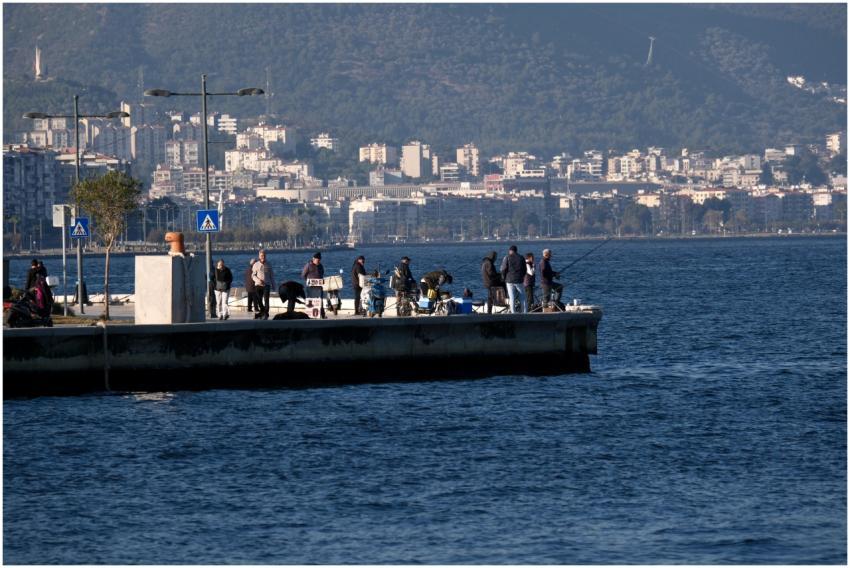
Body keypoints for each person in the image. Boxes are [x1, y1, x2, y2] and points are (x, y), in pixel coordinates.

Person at [500, 245, 526, 313]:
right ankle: (524, 312)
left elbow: (503, 269)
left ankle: (513, 312)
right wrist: (521, 276)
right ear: (516, 250)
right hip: (519, 280)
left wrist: (503, 277)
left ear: (510, 251)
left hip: (509, 280)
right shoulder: (521, 257)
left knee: (512, 298)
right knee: (522, 297)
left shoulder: (507, 257)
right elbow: (524, 269)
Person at [251, 249, 275, 320]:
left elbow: (272, 276)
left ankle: (266, 314)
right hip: (258, 285)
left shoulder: (269, 264)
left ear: (265, 256)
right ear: (259, 256)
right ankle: (263, 312)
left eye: (264, 255)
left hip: (266, 285)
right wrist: (258, 280)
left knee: (266, 300)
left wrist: (274, 286)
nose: (263, 257)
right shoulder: (255, 264)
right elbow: (253, 275)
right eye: (261, 255)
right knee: (259, 300)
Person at [301, 252, 326, 319]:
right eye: (317, 260)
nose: (318, 261)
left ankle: (322, 315)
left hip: (319, 287)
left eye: (319, 260)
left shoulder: (320, 266)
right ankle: (310, 315)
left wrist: (321, 281)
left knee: (320, 301)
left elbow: (322, 273)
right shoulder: (308, 265)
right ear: (313, 259)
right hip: (310, 287)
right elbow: (303, 275)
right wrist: (308, 281)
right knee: (311, 301)